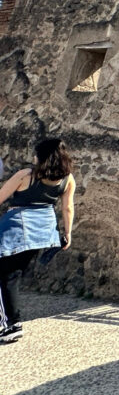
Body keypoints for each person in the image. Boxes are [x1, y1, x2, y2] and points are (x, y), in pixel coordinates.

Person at [0, 138, 75, 344]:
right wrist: (67, 234)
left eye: (36, 153)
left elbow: (1, 197)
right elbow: (68, 208)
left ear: (41, 157)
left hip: (16, 229)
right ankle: (10, 322)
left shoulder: (25, 175)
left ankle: (12, 325)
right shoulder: (67, 180)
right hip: (42, 233)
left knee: (6, 276)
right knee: (11, 275)